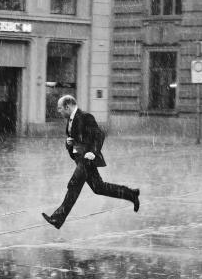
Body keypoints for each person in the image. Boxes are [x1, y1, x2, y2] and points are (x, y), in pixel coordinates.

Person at [42, 95, 140, 229]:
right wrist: (68, 144)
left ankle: (57, 218)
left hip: (87, 159)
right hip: (80, 159)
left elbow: (99, 135)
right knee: (98, 188)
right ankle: (131, 194)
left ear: (68, 106)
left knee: (74, 185)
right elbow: (76, 140)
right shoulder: (70, 120)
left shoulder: (85, 117)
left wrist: (93, 152)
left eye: (60, 108)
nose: (59, 111)